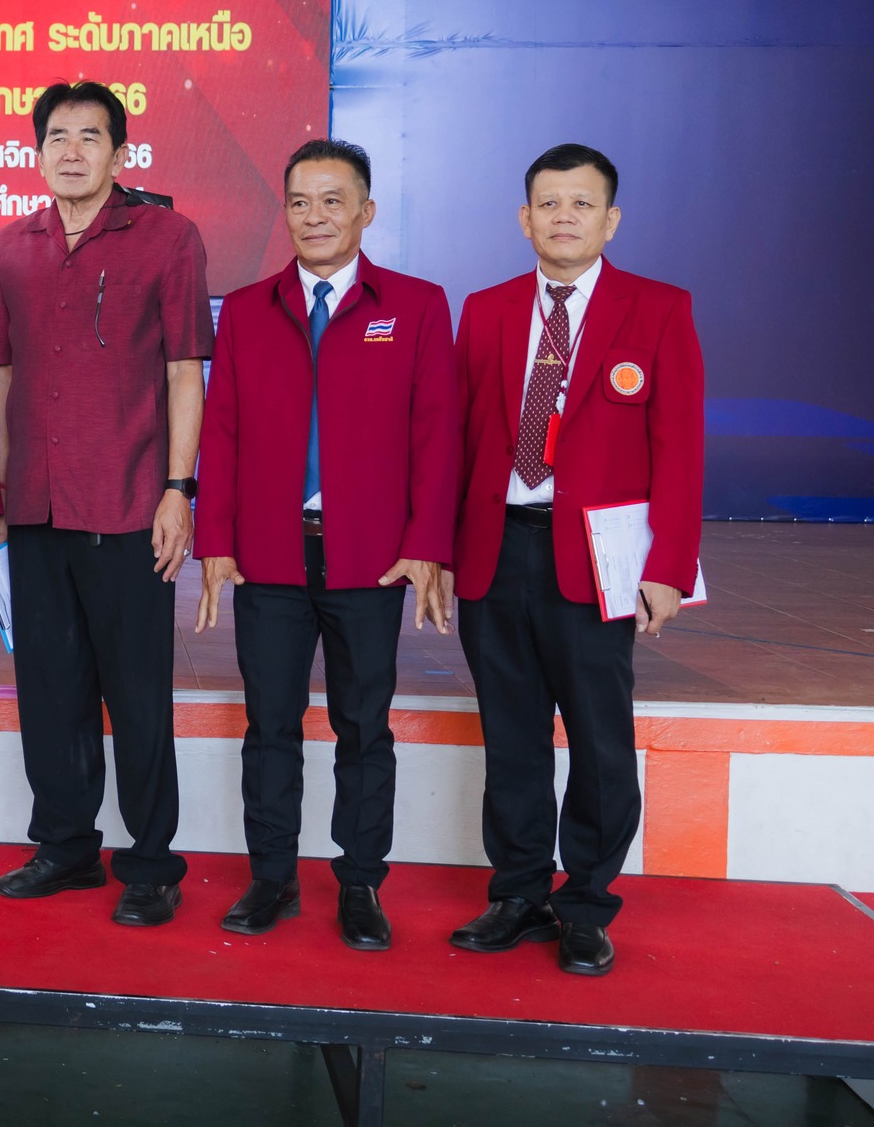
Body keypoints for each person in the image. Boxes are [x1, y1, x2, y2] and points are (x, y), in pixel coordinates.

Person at [192, 139, 457, 949]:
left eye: (332, 200)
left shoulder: (413, 305)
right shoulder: (245, 307)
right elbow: (223, 431)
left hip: (370, 558)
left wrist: (426, 545)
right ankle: (271, 876)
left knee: (363, 727)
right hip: (268, 555)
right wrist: (216, 543)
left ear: (366, 211)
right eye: (300, 201)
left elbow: (436, 435)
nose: (314, 216)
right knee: (269, 724)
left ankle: (361, 882)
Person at [448, 144, 704, 976]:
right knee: (511, 736)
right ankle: (518, 892)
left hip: (598, 559)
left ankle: (586, 903)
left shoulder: (658, 308)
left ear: (610, 219)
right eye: (548, 203)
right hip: (496, 551)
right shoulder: (484, 309)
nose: (563, 216)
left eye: (581, 204)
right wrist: (443, 552)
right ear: (524, 218)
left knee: (600, 738)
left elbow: (681, 446)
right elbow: (461, 438)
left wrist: (668, 562)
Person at [0, 80, 211, 927]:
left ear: (121, 152)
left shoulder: (167, 237)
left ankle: (150, 861)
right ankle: (66, 845)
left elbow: (186, 370)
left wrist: (178, 489)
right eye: (56, 137)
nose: (71, 151)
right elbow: (1, 377)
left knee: (137, 693)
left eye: (90, 136)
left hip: (128, 502)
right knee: (49, 688)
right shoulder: (8, 248)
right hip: (35, 510)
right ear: (36, 151)